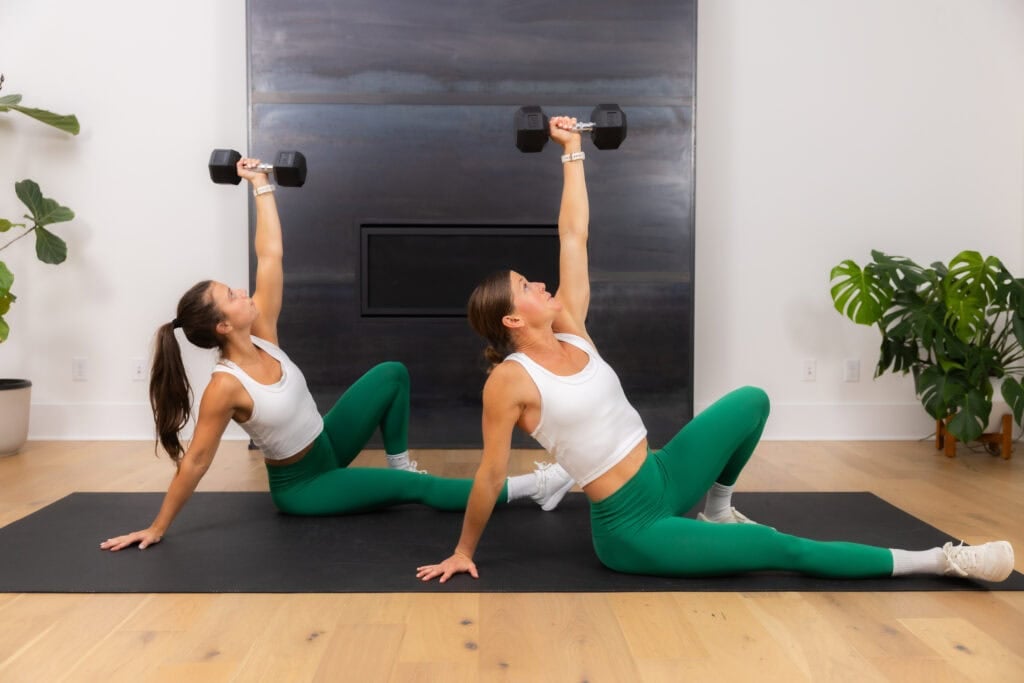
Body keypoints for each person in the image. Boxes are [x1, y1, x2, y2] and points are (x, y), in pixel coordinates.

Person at [416, 117, 1015, 584]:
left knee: (751, 401)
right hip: (632, 525)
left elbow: (574, 233)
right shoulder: (511, 382)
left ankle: (720, 508)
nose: (542, 284)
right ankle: (943, 561)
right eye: (528, 286)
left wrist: (571, 151)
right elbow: (491, 472)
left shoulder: (571, 326)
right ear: (514, 318)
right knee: (780, 549)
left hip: (664, 473)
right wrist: (462, 552)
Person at [101, 157, 574, 551]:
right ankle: (537, 487)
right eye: (231, 294)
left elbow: (271, 256)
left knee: (392, 374)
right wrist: (158, 526)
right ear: (223, 326)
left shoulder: (263, 332)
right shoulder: (225, 387)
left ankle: (397, 466)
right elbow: (197, 461)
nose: (243, 291)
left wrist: (260, 185)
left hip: (326, 442)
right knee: (420, 491)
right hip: (305, 486)